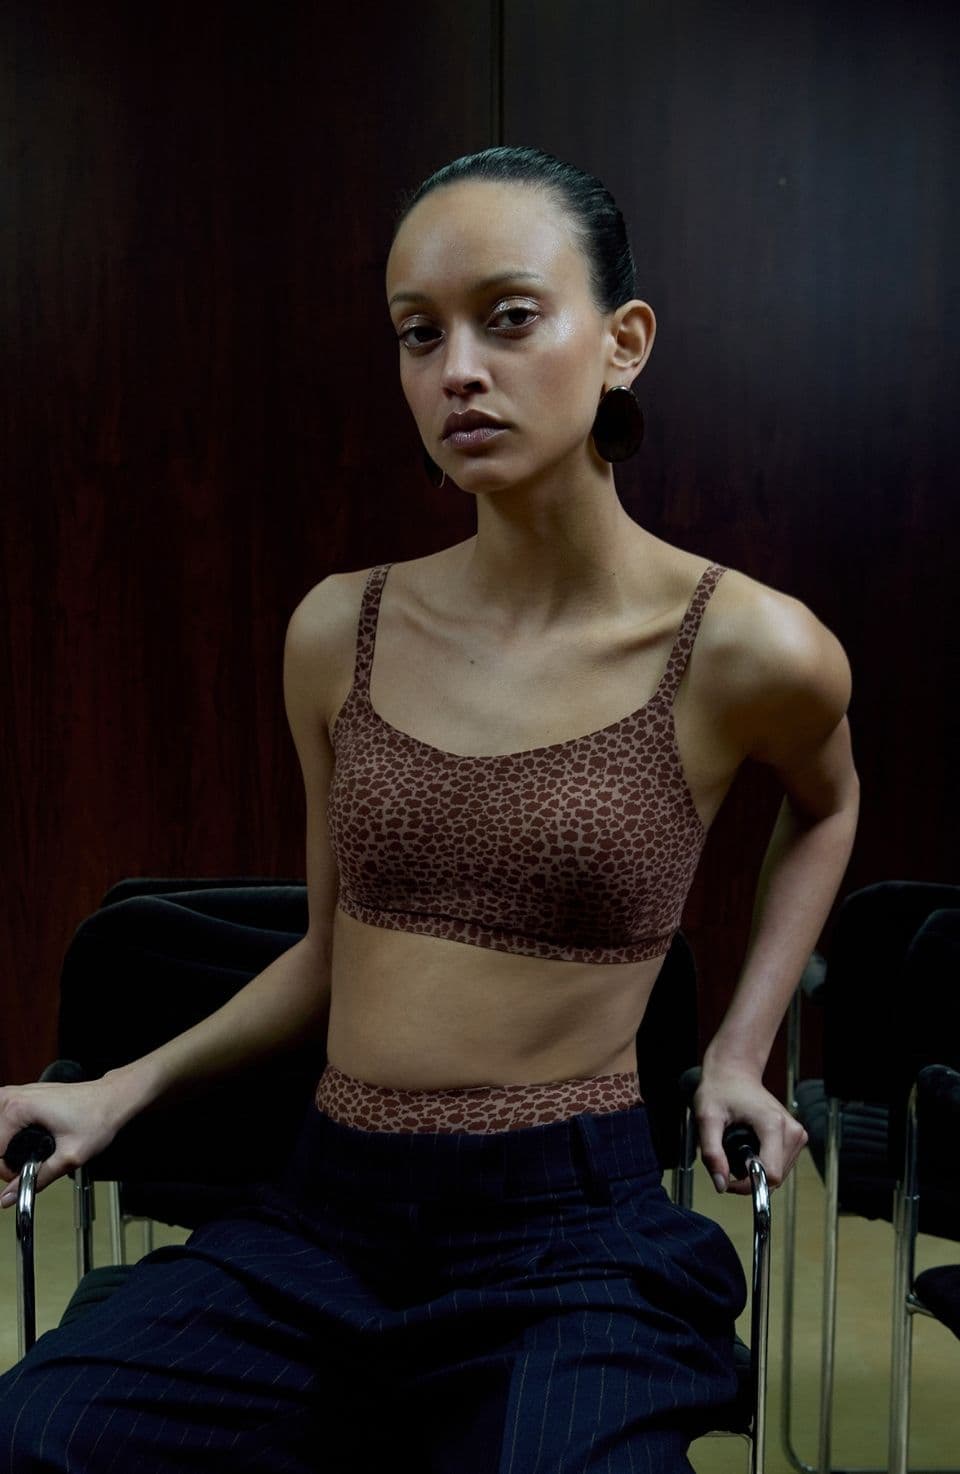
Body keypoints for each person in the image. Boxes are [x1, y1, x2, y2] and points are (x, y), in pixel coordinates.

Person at [0, 144, 860, 1472]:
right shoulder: (339, 628)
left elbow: (829, 806)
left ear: (624, 341)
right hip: (323, 1217)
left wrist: (744, 1048)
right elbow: (330, 955)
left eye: (509, 318)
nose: (458, 367)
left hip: (571, 1232)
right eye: (419, 334)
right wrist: (114, 1092)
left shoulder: (752, 645)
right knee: (39, 1432)